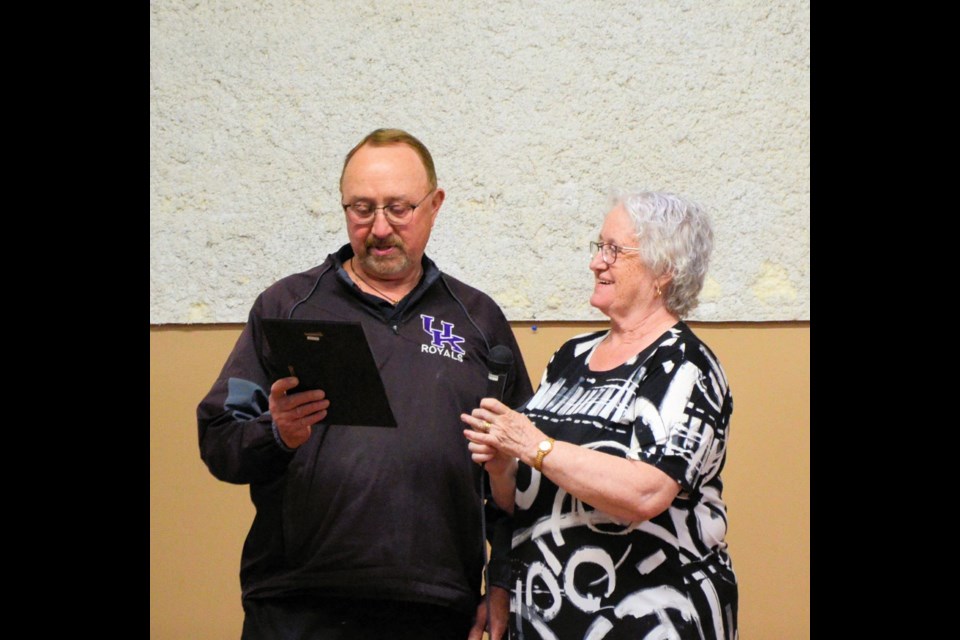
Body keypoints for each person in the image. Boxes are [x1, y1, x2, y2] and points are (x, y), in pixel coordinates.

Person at [197, 128, 534, 640]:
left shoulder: (478, 321)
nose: (379, 228)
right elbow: (220, 439)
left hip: (438, 607)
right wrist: (277, 433)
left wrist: (502, 581)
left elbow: (522, 476)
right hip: (298, 604)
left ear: (435, 205)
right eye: (362, 208)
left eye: (399, 208)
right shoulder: (288, 306)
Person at [461, 190, 738, 639]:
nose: (596, 262)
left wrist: (534, 444)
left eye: (615, 250)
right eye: (599, 247)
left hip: (652, 620)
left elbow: (646, 492)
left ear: (664, 270)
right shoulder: (571, 356)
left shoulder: (686, 367)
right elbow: (525, 500)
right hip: (547, 619)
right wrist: (503, 466)